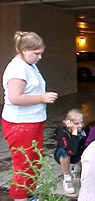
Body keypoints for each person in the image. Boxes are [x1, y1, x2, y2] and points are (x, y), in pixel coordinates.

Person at [1, 31, 58, 201]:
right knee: (24, 165)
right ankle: (20, 197)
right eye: (36, 53)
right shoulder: (17, 69)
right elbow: (15, 97)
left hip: (32, 122)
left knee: (34, 162)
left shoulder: (29, 64)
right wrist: (42, 98)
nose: (40, 57)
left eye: (41, 53)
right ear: (24, 50)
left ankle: (29, 194)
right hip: (20, 124)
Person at [54, 108, 86, 194]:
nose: (80, 125)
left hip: (78, 154)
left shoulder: (84, 130)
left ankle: (77, 169)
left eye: (82, 122)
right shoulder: (62, 132)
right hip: (66, 154)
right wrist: (74, 133)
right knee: (64, 152)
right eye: (76, 123)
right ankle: (67, 178)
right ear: (68, 123)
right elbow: (71, 150)